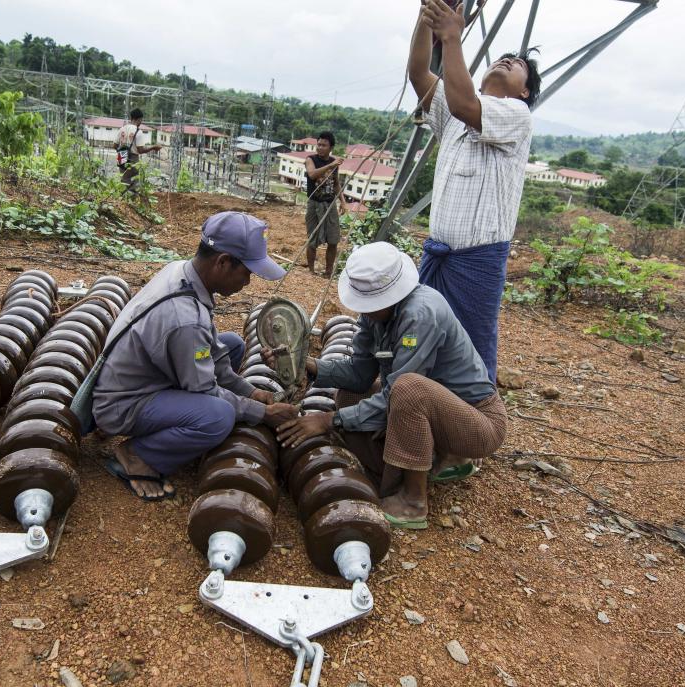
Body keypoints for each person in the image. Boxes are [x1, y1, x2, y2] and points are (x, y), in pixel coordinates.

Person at [270, 242, 506, 529]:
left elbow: (400, 393)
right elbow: (359, 374)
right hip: (440, 413)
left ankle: (413, 500)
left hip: (477, 424)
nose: (365, 310)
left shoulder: (420, 314)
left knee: (407, 389)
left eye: (370, 303)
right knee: (349, 395)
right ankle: (439, 457)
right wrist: (310, 365)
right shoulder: (376, 316)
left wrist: (328, 420)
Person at [92, 211, 298, 500]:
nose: (248, 282)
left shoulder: (182, 272)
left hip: (142, 376)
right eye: (247, 272)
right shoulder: (185, 319)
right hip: (124, 402)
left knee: (232, 344)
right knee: (218, 416)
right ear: (223, 262)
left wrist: (250, 392)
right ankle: (137, 455)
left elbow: (211, 352)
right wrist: (261, 413)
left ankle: (167, 425)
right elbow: (203, 388)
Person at [408, 0, 542, 382]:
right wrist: (426, 18)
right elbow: (419, 72)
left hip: (476, 261)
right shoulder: (452, 108)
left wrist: (452, 37)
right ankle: (417, 407)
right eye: (500, 59)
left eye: (515, 65)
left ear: (525, 92)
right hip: (439, 254)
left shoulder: (516, 115)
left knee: (468, 351)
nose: (503, 62)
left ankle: (471, 425)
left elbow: (467, 103)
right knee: (421, 339)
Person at [304, 131, 348, 278]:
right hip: (314, 204)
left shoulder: (334, 163)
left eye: (324, 145)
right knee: (312, 239)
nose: (320, 147)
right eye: (319, 144)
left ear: (331, 148)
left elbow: (336, 183)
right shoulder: (310, 159)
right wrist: (331, 165)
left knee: (333, 240)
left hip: (330, 205)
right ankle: (311, 271)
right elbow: (312, 174)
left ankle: (328, 272)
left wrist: (342, 201)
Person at [115, 108, 162, 193]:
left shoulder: (122, 129)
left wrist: (123, 151)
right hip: (132, 158)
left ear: (131, 118)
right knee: (135, 182)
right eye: (141, 120)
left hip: (121, 156)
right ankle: (131, 201)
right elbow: (141, 150)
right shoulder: (137, 131)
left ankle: (123, 201)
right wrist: (153, 147)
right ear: (139, 119)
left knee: (124, 181)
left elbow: (114, 145)